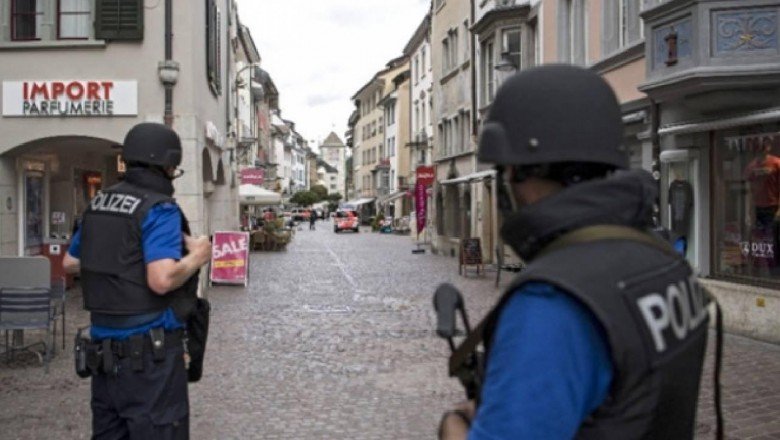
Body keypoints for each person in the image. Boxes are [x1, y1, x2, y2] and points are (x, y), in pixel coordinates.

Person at [438, 65, 710, 439]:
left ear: (520, 172)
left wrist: (453, 425)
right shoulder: (663, 258)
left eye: (504, 171)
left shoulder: (553, 298)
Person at [64, 122, 212, 439]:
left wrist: (123, 262)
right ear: (167, 165)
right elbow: (162, 279)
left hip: (103, 356)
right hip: (149, 359)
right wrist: (198, 257)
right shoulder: (159, 209)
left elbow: (71, 262)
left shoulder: (98, 203)